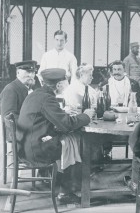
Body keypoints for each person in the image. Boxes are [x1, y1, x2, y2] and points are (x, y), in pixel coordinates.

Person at [17, 68, 95, 204]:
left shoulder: (38, 94)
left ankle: (58, 181)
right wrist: (86, 116)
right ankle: (65, 192)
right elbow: (67, 124)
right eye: (66, 81)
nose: (68, 84)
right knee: (74, 141)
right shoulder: (47, 99)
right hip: (36, 150)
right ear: (59, 85)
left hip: (27, 145)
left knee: (68, 140)